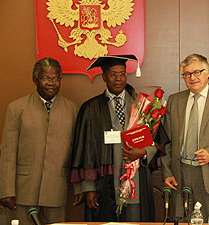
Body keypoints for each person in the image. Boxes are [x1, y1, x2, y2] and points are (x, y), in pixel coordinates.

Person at [70, 55, 165, 222]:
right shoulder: (91, 109)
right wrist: (88, 188)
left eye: (122, 74)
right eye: (113, 74)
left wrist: (143, 152)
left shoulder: (142, 105)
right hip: (103, 184)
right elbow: (84, 150)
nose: (118, 79)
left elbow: (157, 141)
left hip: (136, 181)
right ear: (104, 76)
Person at [0, 58, 79, 224]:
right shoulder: (17, 108)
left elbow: (78, 153)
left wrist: (79, 188)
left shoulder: (72, 109)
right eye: (46, 78)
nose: (51, 83)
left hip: (56, 190)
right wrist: (7, 190)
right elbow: (8, 154)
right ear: (35, 79)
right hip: (23, 192)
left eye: (56, 79)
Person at [161, 53, 209, 220]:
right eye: (187, 74)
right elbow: (165, 141)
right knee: (181, 219)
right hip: (179, 173)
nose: (192, 77)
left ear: (208, 73)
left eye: (197, 72)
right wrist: (167, 171)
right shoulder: (174, 101)